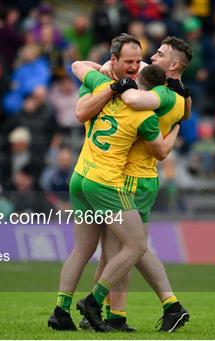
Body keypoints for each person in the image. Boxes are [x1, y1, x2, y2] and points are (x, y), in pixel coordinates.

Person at [71, 35, 193, 332]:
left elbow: (133, 99)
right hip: (140, 177)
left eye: (159, 55)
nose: (150, 58)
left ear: (174, 64)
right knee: (130, 249)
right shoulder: (180, 95)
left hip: (132, 178)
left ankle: (102, 306)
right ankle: (127, 312)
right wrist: (111, 68)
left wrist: (117, 82)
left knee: (128, 249)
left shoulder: (164, 94)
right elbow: (185, 112)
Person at [48, 60, 180, 332]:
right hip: (106, 182)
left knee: (82, 250)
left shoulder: (102, 89)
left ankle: (61, 311)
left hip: (80, 174)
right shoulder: (145, 115)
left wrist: (106, 68)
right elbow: (161, 152)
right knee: (135, 246)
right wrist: (176, 127)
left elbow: (78, 67)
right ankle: (95, 303)